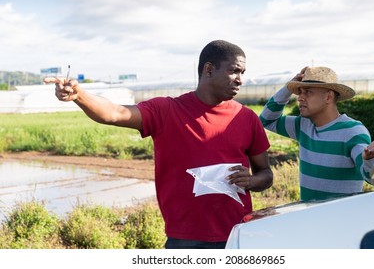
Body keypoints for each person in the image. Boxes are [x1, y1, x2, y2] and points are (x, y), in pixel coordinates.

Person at [44, 40, 273, 249]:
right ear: (209, 69)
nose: (240, 79)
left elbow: (266, 174)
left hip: (237, 235)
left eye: (242, 72)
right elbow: (114, 113)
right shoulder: (167, 111)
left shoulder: (246, 117)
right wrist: (79, 95)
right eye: (234, 71)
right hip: (185, 241)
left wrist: (251, 181)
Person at [259, 66, 374, 201]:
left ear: (328, 96)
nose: (299, 98)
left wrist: (370, 159)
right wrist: (288, 88)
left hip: (339, 218)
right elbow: (266, 120)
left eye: (308, 92)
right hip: (309, 215)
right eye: (299, 92)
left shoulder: (352, 131)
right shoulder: (303, 125)